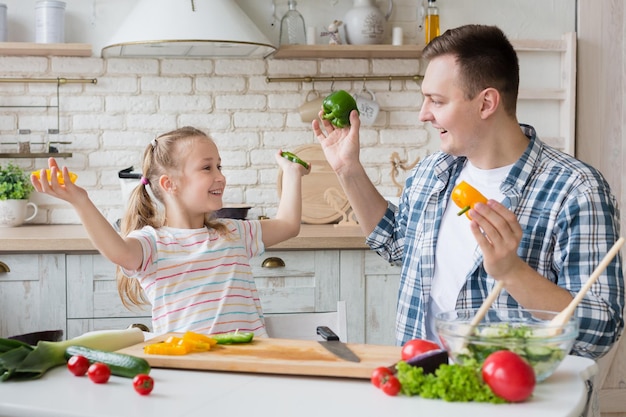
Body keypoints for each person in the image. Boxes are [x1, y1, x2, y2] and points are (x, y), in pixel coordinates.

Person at [312, 24, 624, 359]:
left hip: (516, 402)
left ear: (486, 102)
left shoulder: (576, 190)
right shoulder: (432, 173)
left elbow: (601, 329)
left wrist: (512, 273)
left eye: (437, 101)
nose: (423, 114)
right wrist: (348, 170)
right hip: (423, 386)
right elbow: (397, 244)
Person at [31, 126, 310, 337]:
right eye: (207, 167)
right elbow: (117, 251)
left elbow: (288, 224)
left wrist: (292, 173)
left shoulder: (233, 233)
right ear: (170, 184)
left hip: (250, 366)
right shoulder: (153, 244)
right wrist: (80, 201)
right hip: (188, 372)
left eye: (219, 166)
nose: (220, 176)